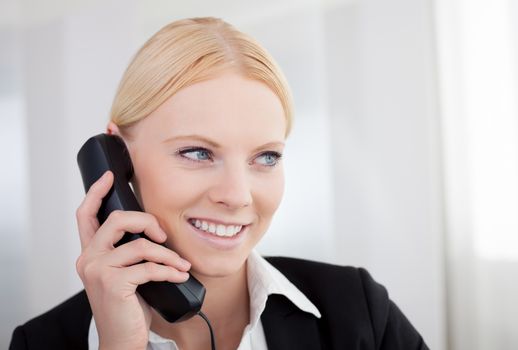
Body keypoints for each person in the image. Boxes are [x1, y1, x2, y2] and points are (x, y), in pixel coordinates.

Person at [9, 17, 428, 350]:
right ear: (117, 163)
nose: (236, 195)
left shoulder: (360, 313)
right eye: (197, 153)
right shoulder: (39, 341)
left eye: (266, 157)